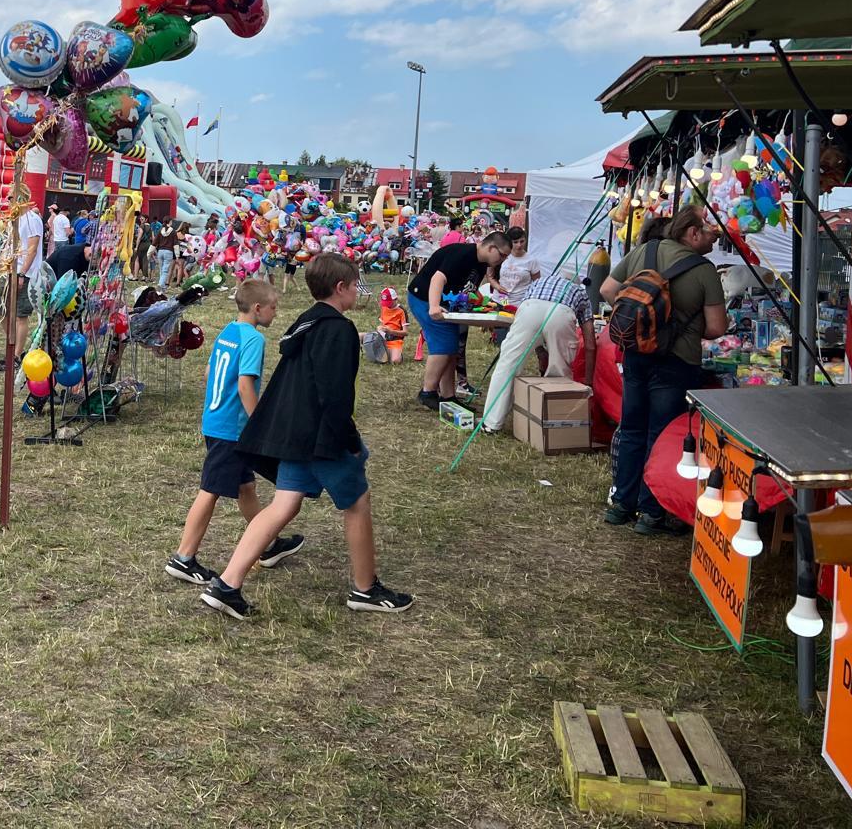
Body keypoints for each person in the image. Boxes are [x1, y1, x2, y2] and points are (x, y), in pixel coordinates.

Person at [201, 253, 412, 619]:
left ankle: (227, 584)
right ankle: (366, 589)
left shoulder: (305, 323)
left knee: (284, 504)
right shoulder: (338, 329)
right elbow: (334, 393)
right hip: (320, 437)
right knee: (357, 502)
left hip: (294, 434)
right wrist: (347, 439)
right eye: (355, 287)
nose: (358, 295)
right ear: (340, 288)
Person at [598, 205, 726, 535]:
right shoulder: (705, 270)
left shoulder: (645, 250)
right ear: (693, 233)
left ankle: (622, 504)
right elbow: (716, 327)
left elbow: (608, 290)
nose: (714, 238)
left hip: (636, 355)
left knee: (632, 428)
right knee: (661, 436)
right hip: (677, 361)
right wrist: (680, 325)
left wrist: (642, 321)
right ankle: (651, 512)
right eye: (710, 232)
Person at [166, 278, 302, 584]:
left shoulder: (229, 331)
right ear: (257, 309)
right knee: (210, 490)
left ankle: (266, 543)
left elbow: (208, 371)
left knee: (245, 487)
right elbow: (244, 385)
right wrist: (260, 424)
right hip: (230, 429)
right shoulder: (254, 339)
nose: (276, 313)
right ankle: (183, 558)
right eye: (273, 307)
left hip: (214, 421)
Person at [479, 273, 597, 435]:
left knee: (507, 365)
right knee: (560, 371)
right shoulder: (580, 292)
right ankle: (557, 426)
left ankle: (491, 423)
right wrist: (589, 381)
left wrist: (541, 352)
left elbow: (534, 326)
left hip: (530, 307)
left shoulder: (540, 282)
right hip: (562, 313)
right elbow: (590, 344)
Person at [408, 231, 512, 410]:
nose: (502, 260)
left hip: (443, 304)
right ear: (491, 247)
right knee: (443, 346)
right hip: (423, 297)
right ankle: (427, 392)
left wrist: (488, 308)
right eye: (502, 255)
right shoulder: (462, 254)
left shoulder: (481, 264)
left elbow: (469, 291)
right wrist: (433, 306)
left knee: (451, 348)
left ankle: (448, 396)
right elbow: (438, 278)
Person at [13, 199, 46, 348]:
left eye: (11, 198)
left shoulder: (32, 219)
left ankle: (17, 354)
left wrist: (22, 274)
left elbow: (32, 249)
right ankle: (12, 346)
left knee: (21, 315)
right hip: (12, 270)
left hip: (27, 274)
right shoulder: (15, 218)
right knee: (4, 312)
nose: (8, 201)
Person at [153, 218, 180, 288]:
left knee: (161, 269)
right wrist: (177, 255)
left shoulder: (160, 230)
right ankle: (161, 284)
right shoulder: (173, 232)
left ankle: (161, 283)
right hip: (169, 252)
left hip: (160, 251)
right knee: (165, 270)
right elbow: (176, 244)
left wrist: (149, 253)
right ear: (170, 222)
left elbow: (154, 242)